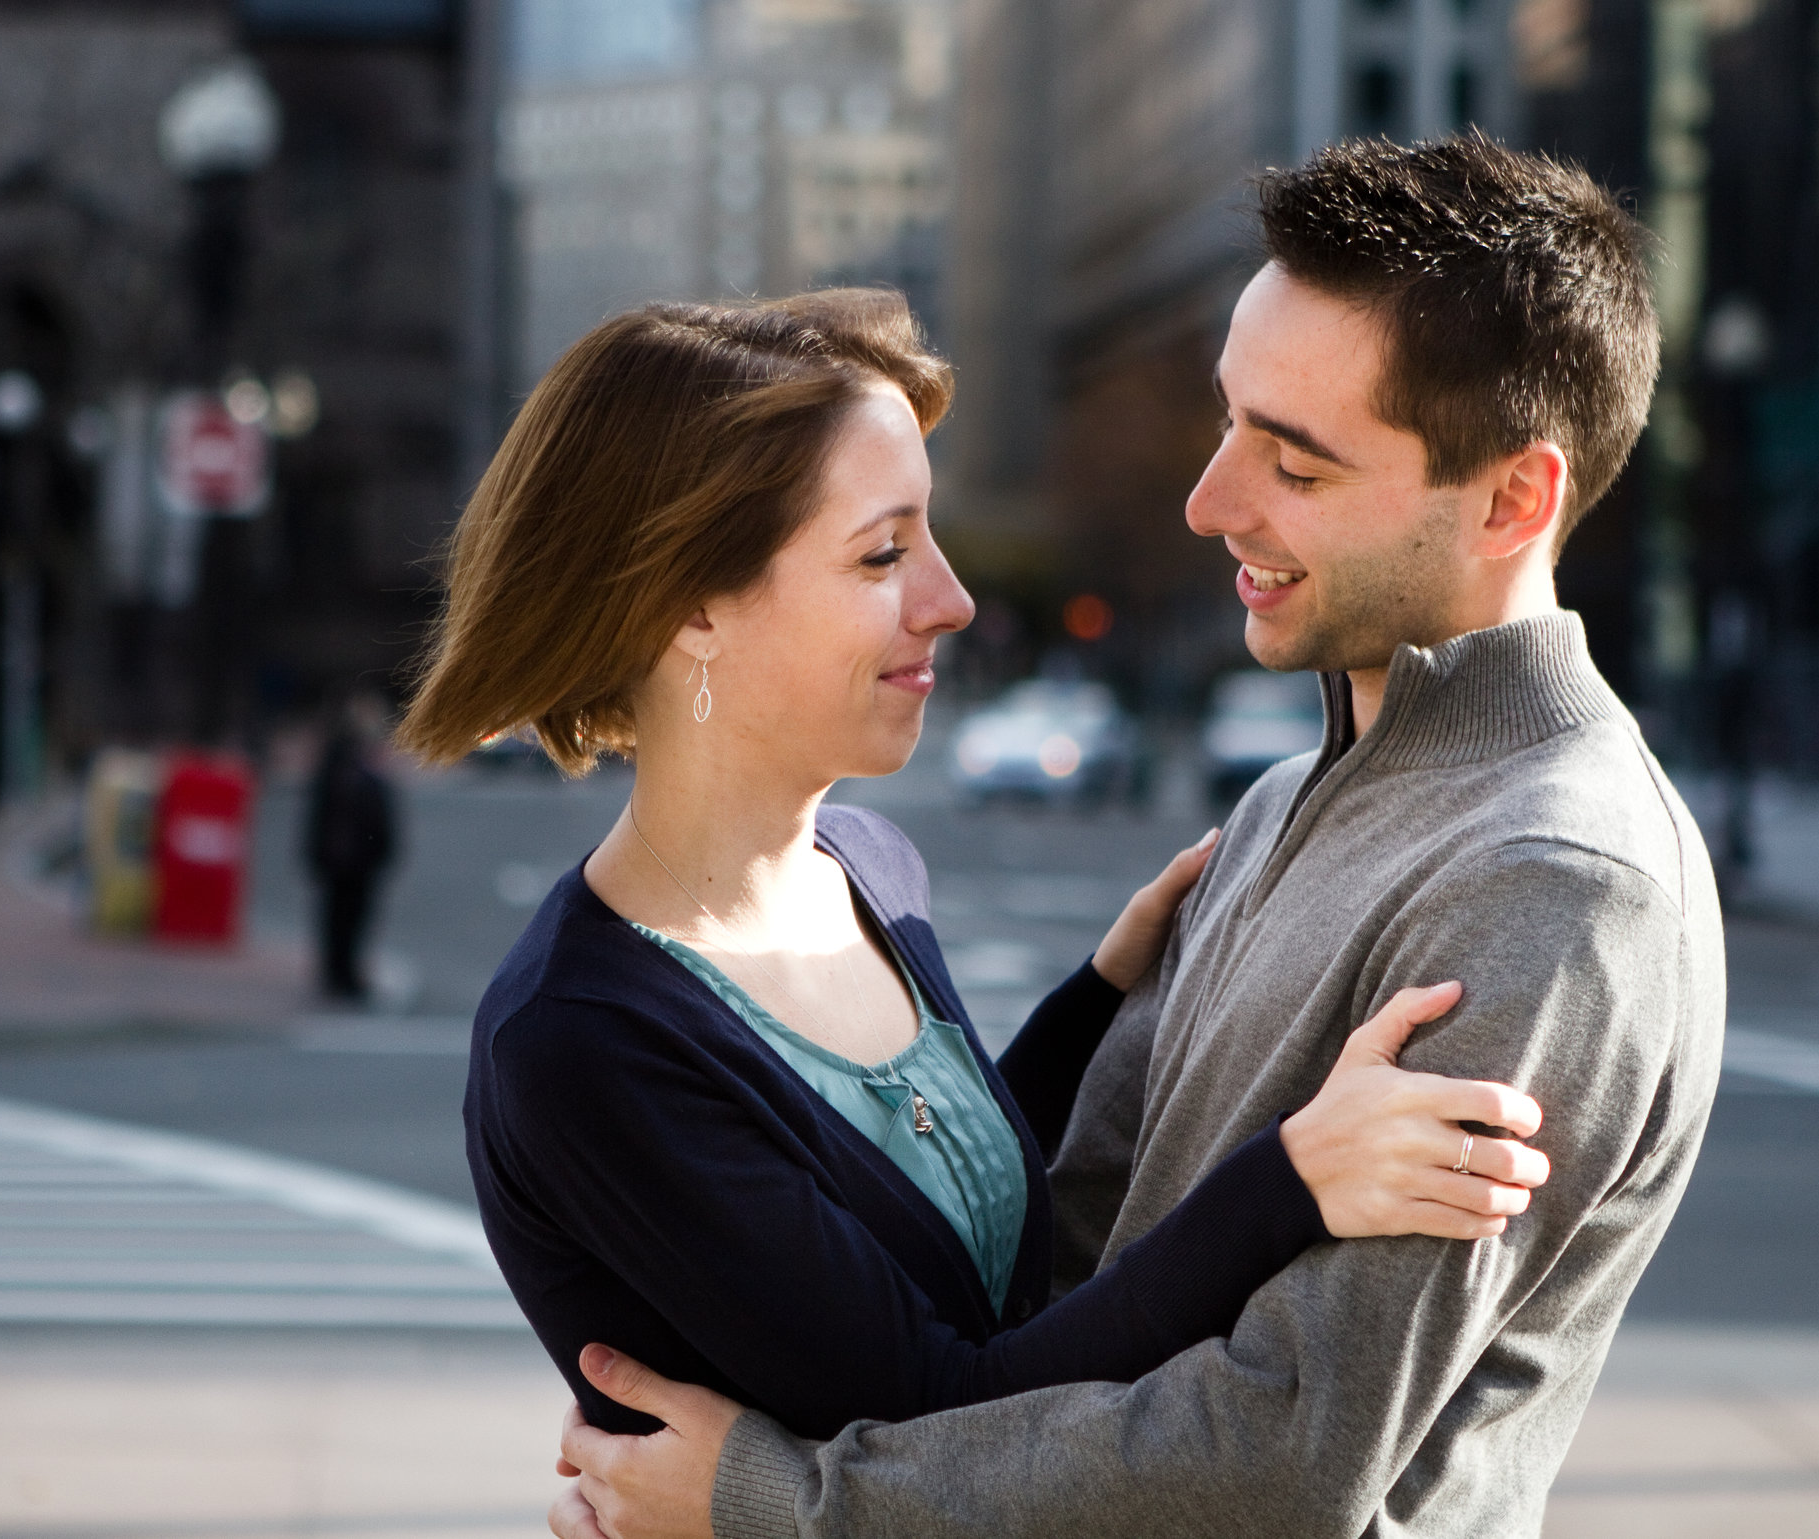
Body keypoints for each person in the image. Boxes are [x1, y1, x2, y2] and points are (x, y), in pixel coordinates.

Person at [551, 138, 1727, 1539]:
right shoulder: (1288, 801)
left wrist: (787, 1500)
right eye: (1231, 421)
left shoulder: (1548, 883)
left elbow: (1277, 1455)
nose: (1211, 499)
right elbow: (1054, 1272)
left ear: (1511, 500)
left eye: (1292, 460)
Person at [396, 290, 1550, 1455]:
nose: (948, 600)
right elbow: (948, 1414)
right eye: (882, 553)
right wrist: (1292, 1178)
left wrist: (1096, 999)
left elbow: (938, 1209)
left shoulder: (867, 866)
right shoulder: (582, 1043)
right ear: (693, 602)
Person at [302, 699, 398, 1002]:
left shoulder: (341, 764)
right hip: (350, 859)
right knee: (344, 919)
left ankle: (341, 974)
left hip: (350, 859)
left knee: (345, 919)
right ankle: (340, 976)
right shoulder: (346, 766)